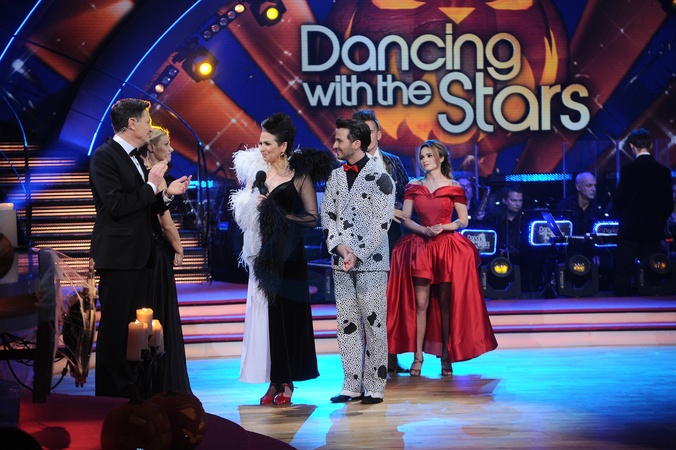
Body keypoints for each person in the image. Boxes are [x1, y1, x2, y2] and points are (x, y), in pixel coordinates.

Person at [89, 98, 190, 397]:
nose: (150, 127)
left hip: (139, 256)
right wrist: (150, 185)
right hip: (119, 257)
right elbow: (117, 206)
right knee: (116, 328)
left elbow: (143, 206)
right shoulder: (105, 157)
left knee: (136, 328)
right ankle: (111, 396)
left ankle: (133, 389)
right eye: (147, 121)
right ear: (131, 123)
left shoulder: (132, 157)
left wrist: (166, 195)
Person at [231, 113, 332, 405]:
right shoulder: (258, 175)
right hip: (264, 255)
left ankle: (288, 381)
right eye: (260, 143)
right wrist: (251, 206)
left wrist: (278, 213)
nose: (261, 148)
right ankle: (274, 380)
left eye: (267, 144)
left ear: (283, 146)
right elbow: (243, 215)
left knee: (289, 318)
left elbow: (312, 218)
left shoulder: (298, 176)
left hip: (290, 255)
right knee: (269, 319)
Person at [386, 140, 497, 377]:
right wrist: (423, 230)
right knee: (421, 304)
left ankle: (446, 357)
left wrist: (442, 227)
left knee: (446, 305)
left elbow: (463, 221)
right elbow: (406, 218)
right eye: (422, 156)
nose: (424, 160)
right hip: (421, 247)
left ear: (441, 158)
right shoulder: (413, 186)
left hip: (446, 248)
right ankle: (417, 357)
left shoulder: (455, 187)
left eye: (429, 155)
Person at [321, 117, 394, 405]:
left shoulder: (381, 177)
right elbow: (328, 216)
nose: (335, 144)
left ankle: (375, 385)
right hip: (341, 262)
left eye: (339, 140)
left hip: (371, 262)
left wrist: (357, 253)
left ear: (356, 143)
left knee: (374, 325)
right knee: (346, 323)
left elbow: (382, 223)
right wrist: (341, 249)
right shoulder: (335, 176)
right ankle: (351, 384)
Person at [351, 109, 410, 374]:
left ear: (379, 134)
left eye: (370, 131)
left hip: (393, 240)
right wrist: (386, 210)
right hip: (362, 242)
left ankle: (391, 356)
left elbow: (408, 194)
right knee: (366, 301)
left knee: (391, 299)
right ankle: (369, 359)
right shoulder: (348, 165)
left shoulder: (393, 162)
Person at [138, 126, 191, 393]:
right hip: (156, 255)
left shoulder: (143, 173)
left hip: (146, 254)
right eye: (166, 144)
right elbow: (165, 222)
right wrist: (179, 248)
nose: (171, 149)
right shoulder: (154, 177)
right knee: (160, 317)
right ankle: (163, 384)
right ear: (151, 147)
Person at [613, 128, 673, 296]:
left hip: (630, 228)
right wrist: (658, 221)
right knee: (651, 267)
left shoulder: (628, 169)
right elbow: (668, 204)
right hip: (653, 229)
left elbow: (620, 200)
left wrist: (625, 216)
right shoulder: (663, 171)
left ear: (632, 146)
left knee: (624, 267)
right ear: (651, 145)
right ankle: (651, 298)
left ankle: (623, 301)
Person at [555, 172, 604, 262]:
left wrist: (597, 254)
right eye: (589, 185)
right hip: (567, 253)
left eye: (595, 186)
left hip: (591, 254)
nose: (593, 189)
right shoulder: (564, 206)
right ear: (578, 187)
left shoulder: (598, 209)